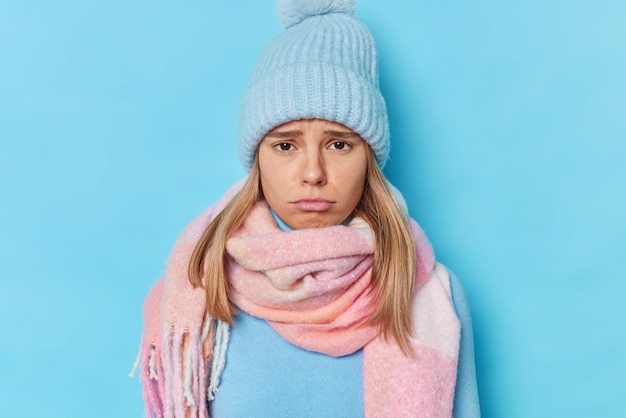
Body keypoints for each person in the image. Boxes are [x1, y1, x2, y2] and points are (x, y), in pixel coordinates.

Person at [131, 0, 480, 416]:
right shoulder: (198, 287)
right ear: (257, 158)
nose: (313, 172)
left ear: (367, 158)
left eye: (339, 144)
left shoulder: (429, 294)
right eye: (285, 145)